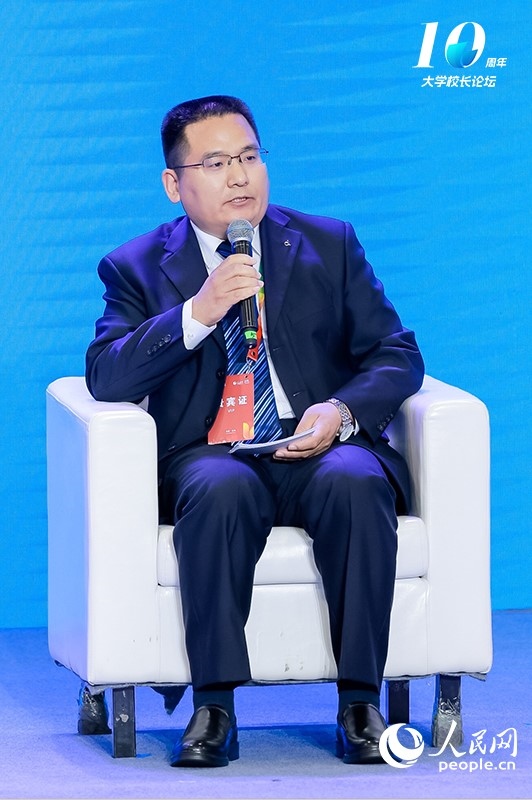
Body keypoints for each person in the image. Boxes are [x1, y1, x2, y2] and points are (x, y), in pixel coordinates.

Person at [85, 94, 425, 768]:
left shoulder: (328, 243)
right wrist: (197, 312)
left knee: (357, 480)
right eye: (215, 163)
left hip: (317, 445)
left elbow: (397, 354)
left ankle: (361, 703)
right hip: (211, 453)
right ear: (175, 184)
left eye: (248, 157)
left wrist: (342, 412)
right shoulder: (134, 266)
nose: (239, 176)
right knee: (220, 490)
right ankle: (214, 708)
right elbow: (106, 376)